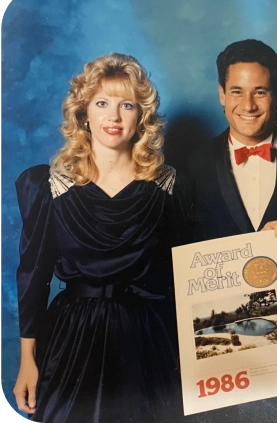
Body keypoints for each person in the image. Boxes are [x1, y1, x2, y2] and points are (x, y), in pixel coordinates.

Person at [13, 53, 189, 423]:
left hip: (147, 340)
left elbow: (193, 276)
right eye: (102, 103)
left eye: (127, 105)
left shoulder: (168, 185)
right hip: (70, 339)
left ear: (142, 116)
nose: (113, 116)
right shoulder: (50, 186)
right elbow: (33, 277)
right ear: (83, 113)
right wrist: (27, 361)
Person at [186, 39, 277, 291]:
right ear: (221, 94)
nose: (248, 105)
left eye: (260, 91)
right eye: (237, 91)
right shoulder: (193, 164)